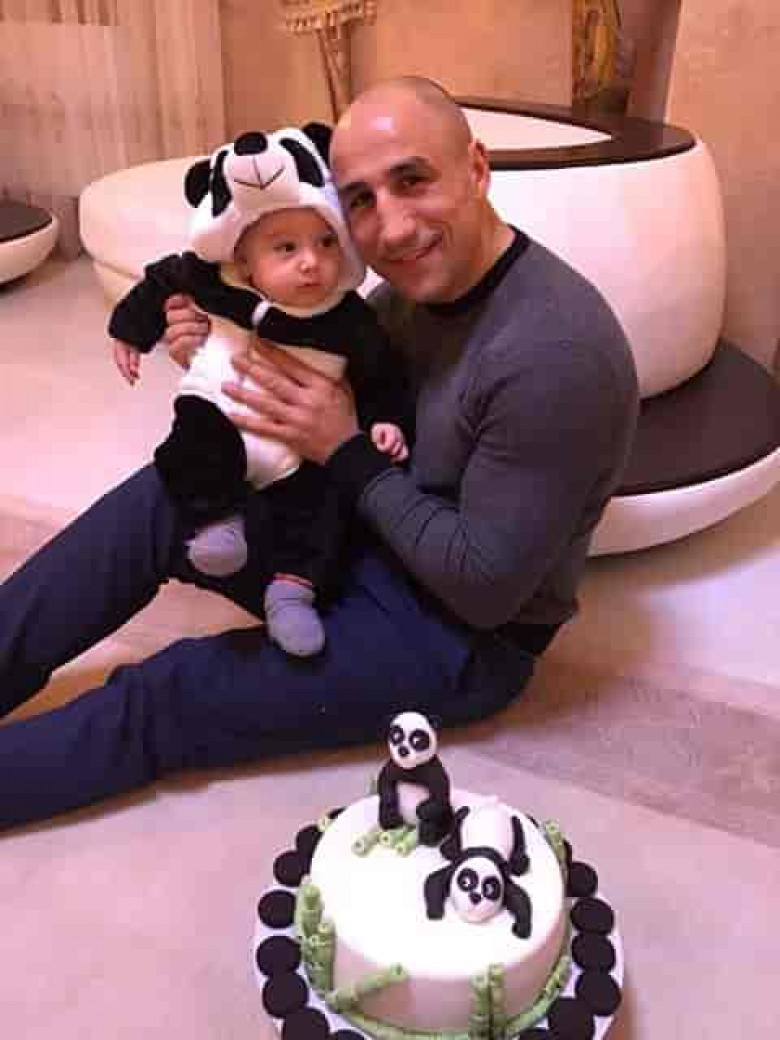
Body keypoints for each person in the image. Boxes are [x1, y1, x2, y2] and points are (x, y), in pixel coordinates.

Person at [0, 77, 638, 833]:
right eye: (360, 200)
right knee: (164, 497)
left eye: (412, 180)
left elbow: (486, 590)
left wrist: (344, 449)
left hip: (458, 636)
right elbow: (306, 394)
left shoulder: (555, 354)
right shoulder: (411, 292)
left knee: (175, 692)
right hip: (356, 537)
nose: (391, 228)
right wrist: (215, 359)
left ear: (476, 167)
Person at [108, 125, 410, 657]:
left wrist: (387, 421)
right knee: (188, 449)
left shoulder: (350, 317)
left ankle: (293, 591)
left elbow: (381, 373)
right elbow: (162, 280)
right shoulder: (216, 281)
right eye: (286, 248)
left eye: (325, 243)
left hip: (299, 451)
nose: (311, 262)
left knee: (327, 509)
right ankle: (216, 522)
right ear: (244, 262)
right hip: (221, 415)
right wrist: (130, 330)